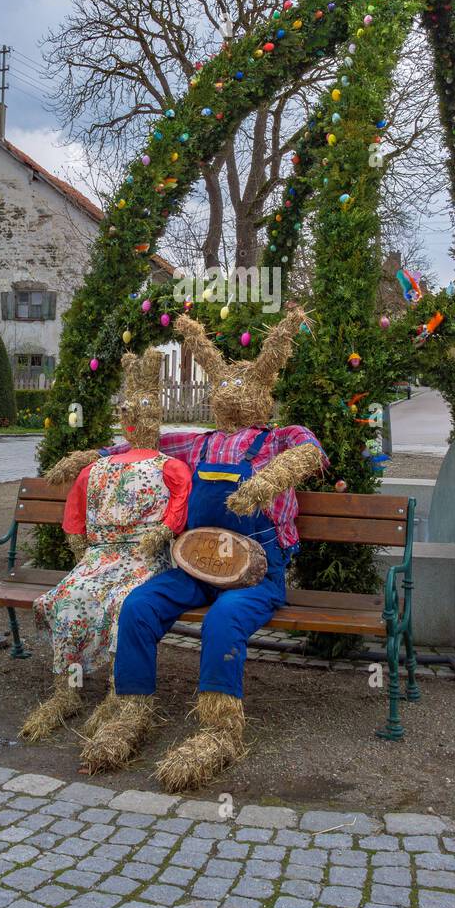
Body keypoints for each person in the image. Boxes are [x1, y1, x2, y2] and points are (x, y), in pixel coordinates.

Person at [80, 306, 327, 791]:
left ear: (263, 393)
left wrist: (268, 481)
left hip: (256, 571)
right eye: (224, 386)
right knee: (139, 606)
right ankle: (131, 709)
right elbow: (140, 449)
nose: (232, 393)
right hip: (195, 563)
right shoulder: (198, 444)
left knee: (223, 620)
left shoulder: (279, 439)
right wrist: (93, 459)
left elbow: (312, 453)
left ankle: (218, 730)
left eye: (243, 386)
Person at [18, 348, 190, 743]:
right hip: (100, 557)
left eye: (143, 409)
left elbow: (179, 505)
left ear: (155, 415)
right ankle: (67, 690)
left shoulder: (170, 466)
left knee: (122, 605)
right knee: (66, 600)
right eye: (129, 410)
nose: (135, 416)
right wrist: (80, 546)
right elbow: (76, 507)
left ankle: (119, 693)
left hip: (145, 558)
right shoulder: (100, 467)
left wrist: (162, 532)